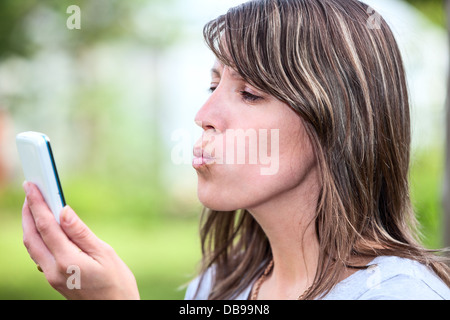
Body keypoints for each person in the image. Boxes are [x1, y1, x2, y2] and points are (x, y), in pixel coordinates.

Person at [21, 0, 450, 300]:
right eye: (213, 85)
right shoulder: (219, 285)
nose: (204, 114)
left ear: (338, 121)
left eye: (249, 92)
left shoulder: (398, 294)